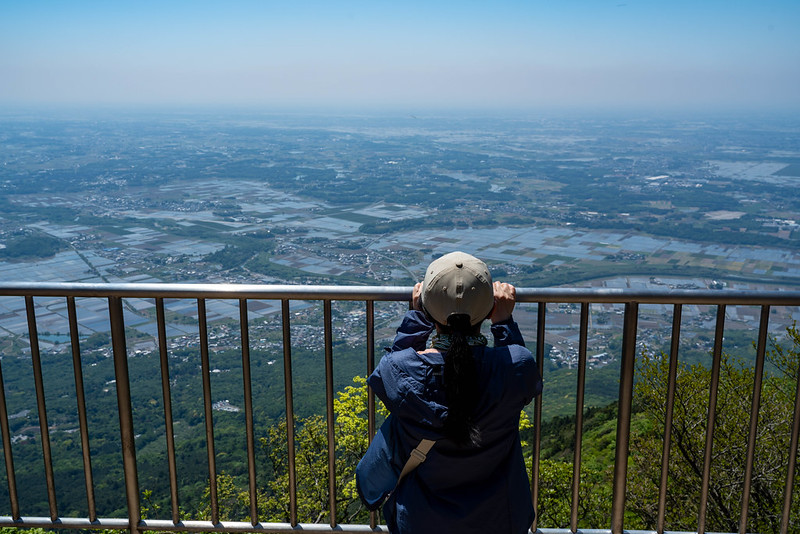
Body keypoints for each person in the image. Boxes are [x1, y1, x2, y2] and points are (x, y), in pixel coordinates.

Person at [356, 251, 543, 534]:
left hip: (422, 523)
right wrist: (504, 323)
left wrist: (417, 318)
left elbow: (396, 375)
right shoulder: (516, 368)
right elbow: (515, 371)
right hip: (499, 520)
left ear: (428, 309)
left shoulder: (400, 370)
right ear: (491, 307)